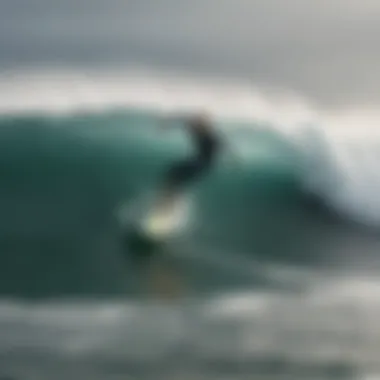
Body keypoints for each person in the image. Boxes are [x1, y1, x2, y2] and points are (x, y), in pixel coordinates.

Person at [156, 112, 222, 208]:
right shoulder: (196, 129)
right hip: (197, 161)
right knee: (172, 174)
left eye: (199, 124)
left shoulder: (210, 136)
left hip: (203, 164)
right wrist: (167, 122)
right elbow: (183, 120)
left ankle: (169, 204)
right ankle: (166, 202)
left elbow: (219, 146)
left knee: (176, 178)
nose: (195, 127)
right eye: (196, 124)